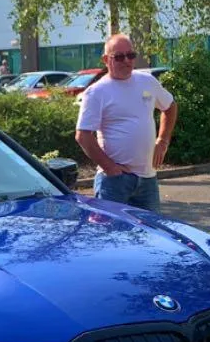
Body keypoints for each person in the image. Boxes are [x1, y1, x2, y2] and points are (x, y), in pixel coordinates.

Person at [75, 33, 177, 213]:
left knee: (151, 236)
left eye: (130, 55)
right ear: (106, 59)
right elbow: (83, 136)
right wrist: (110, 167)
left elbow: (170, 107)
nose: (126, 61)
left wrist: (163, 141)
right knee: (113, 237)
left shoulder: (147, 82)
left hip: (147, 179)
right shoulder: (96, 92)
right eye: (119, 57)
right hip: (114, 182)